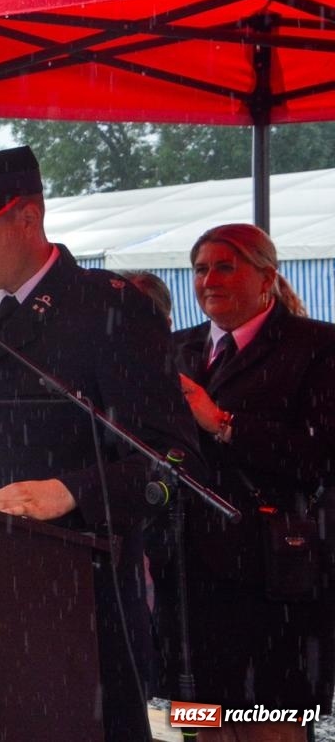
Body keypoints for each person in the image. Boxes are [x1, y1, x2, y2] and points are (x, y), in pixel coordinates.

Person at [0, 145, 198, 742]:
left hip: (79, 598)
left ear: (28, 217)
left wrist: (69, 491)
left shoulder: (110, 308)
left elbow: (172, 462)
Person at [163, 224, 335, 740]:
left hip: (276, 580)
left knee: (272, 725)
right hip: (187, 583)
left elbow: (317, 456)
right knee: (201, 724)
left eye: (224, 266)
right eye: (199, 269)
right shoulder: (175, 349)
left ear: (267, 277)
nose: (208, 279)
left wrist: (222, 422)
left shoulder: (318, 347)